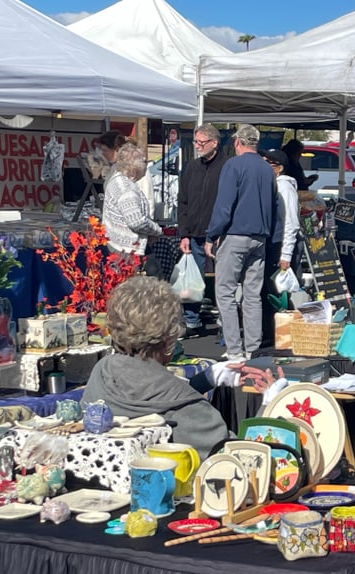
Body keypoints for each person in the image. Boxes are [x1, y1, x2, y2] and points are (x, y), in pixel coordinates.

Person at [81, 276, 233, 457]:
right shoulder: (193, 410)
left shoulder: (102, 372)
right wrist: (269, 404)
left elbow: (147, 389)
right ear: (169, 340)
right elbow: (231, 456)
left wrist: (203, 381)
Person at [205, 124, 280, 362]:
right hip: (260, 237)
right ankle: (253, 349)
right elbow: (275, 207)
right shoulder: (267, 170)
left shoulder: (233, 165)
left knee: (225, 294)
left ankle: (235, 351)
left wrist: (211, 235)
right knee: (252, 295)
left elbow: (224, 205)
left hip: (236, 235)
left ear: (238, 142)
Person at [177, 123, 228, 333]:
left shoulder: (226, 166)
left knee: (224, 278)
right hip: (195, 232)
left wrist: (221, 230)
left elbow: (227, 202)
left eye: (201, 142)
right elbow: (183, 200)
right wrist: (184, 233)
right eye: (195, 141)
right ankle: (191, 317)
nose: (197, 146)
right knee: (192, 278)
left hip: (218, 233)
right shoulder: (192, 167)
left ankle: (226, 318)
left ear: (214, 143)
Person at [260, 148, 302, 344]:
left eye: (269, 163)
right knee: (270, 292)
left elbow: (291, 222)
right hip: (274, 244)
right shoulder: (271, 185)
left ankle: (285, 335)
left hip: (281, 246)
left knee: (278, 293)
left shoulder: (284, 187)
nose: (264, 166)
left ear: (280, 168)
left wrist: (285, 254)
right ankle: (274, 334)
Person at [101, 142, 161, 256]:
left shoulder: (116, 178)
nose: (145, 168)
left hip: (116, 244)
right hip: (126, 249)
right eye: (144, 164)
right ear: (134, 168)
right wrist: (156, 230)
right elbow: (136, 222)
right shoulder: (127, 189)